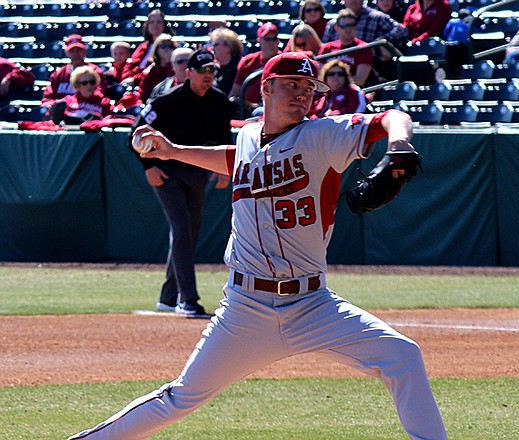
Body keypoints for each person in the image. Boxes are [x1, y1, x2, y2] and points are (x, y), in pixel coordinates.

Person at [68, 51, 447, 440]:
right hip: (244, 308)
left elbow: (394, 117)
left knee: (403, 357)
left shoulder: (323, 135)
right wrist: (173, 151)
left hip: (312, 304)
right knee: (181, 396)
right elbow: (238, 160)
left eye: (309, 88)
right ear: (265, 88)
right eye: (292, 85)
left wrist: (400, 143)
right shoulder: (248, 134)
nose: (302, 95)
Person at [131, 49, 233, 317]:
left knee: (189, 233)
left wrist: (224, 170)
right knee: (182, 227)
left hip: (197, 173)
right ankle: (188, 299)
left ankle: (168, 296)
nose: (208, 76)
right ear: (188, 74)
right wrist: (148, 166)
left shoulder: (220, 101)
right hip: (167, 174)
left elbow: (225, 138)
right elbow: (137, 134)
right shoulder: (167, 101)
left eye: (212, 70)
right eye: (202, 71)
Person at [229, 22, 281, 116]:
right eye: (267, 39)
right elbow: (235, 91)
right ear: (259, 40)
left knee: (259, 112)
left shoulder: (283, 60)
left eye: (274, 39)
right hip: (247, 109)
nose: (271, 42)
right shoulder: (248, 61)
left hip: (273, 107)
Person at [41, 34, 107, 107]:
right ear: (66, 53)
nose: (76, 54)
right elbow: (47, 99)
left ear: (85, 51)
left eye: (79, 50)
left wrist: (75, 103)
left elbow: (100, 94)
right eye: (72, 51)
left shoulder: (94, 72)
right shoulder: (58, 74)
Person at [318, 9, 375, 87]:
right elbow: (320, 77)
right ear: (336, 28)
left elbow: (360, 80)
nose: (348, 29)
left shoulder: (363, 48)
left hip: (352, 93)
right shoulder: (327, 48)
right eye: (344, 26)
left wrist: (333, 81)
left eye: (351, 25)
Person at [322, 0, 409, 49]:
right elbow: (324, 47)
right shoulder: (333, 24)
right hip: (339, 66)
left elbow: (402, 30)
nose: (353, 1)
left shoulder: (376, 18)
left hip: (369, 64)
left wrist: (379, 42)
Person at [48, 66, 114, 125]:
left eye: (92, 82)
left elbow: (111, 119)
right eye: (84, 83)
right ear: (77, 85)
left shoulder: (104, 102)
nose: (89, 85)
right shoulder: (67, 101)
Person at [126, 9, 175, 87]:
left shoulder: (171, 46)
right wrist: (128, 78)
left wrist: (135, 80)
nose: (155, 25)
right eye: (152, 22)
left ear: (164, 25)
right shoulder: (142, 47)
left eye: (158, 22)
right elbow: (129, 67)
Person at [138, 33, 176, 103]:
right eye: (164, 46)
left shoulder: (178, 69)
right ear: (157, 50)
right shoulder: (149, 72)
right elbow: (143, 96)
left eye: (171, 46)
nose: (167, 49)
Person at [209, 27, 243, 95]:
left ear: (229, 47)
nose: (212, 48)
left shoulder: (239, 67)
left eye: (216, 45)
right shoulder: (214, 68)